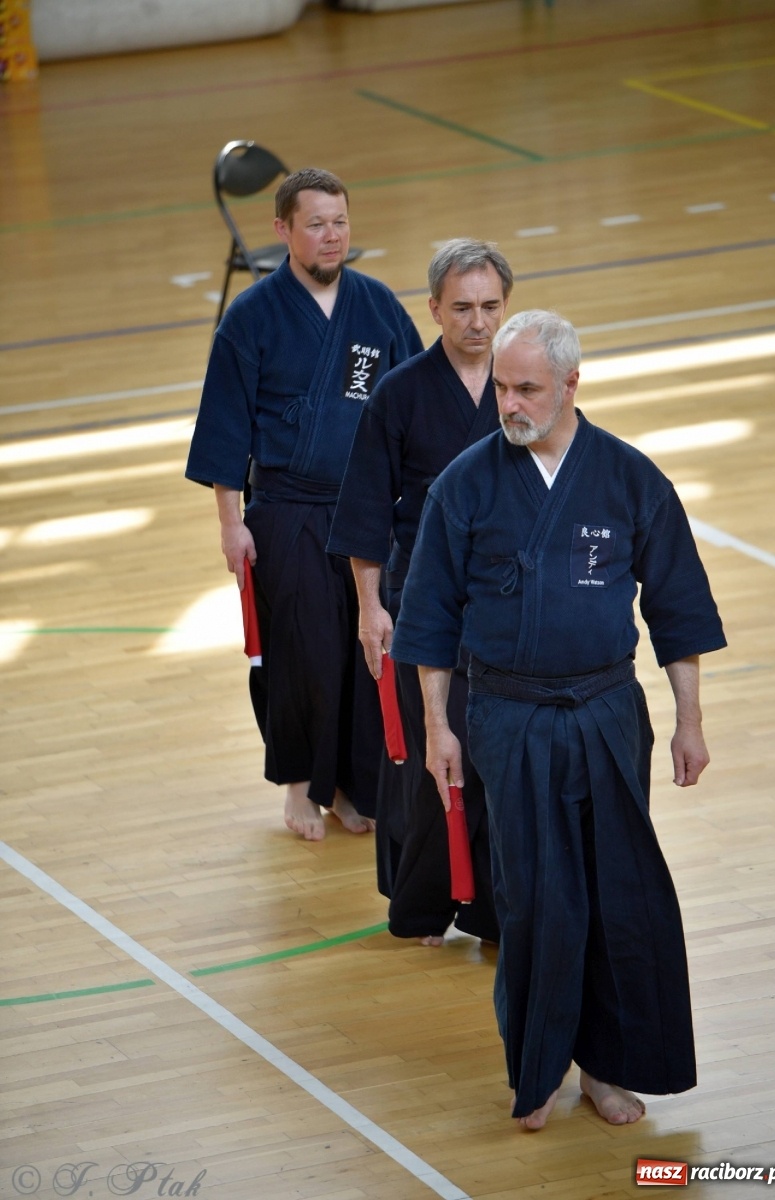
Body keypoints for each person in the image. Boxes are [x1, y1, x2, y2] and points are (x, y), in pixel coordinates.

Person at [391, 310, 726, 1128]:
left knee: (619, 892)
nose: (508, 403)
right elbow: (429, 619)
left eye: (527, 388)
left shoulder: (627, 478)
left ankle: (604, 1071)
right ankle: (536, 1070)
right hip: (508, 714)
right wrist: (438, 728)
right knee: (536, 899)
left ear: (571, 385)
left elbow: (676, 610)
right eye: (502, 387)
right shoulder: (464, 484)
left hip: (608, 710)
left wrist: (689, 721)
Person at [186, 167, 423, 841]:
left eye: (340, 221)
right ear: (283, 230)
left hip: (367, 513)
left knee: (366, 653)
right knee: (302, 653)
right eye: (315, 223)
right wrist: (232, 526)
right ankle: (299, 785)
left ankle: (352, 783)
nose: (330, 236)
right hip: (287, 509)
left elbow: (410, 403)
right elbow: (225, 427)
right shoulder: (251, 317)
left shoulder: (376, 307)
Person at [328, 238, 513, 946]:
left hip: (506, 599)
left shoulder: (521, 382)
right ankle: (420, 905)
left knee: (498, 760)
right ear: (433, 308)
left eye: (490, 307)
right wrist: (370, 607)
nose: (477, 322)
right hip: (422, 601)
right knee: (429, 760)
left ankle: (496, 907)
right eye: (461, 307)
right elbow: (366, 512)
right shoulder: (399, 392)